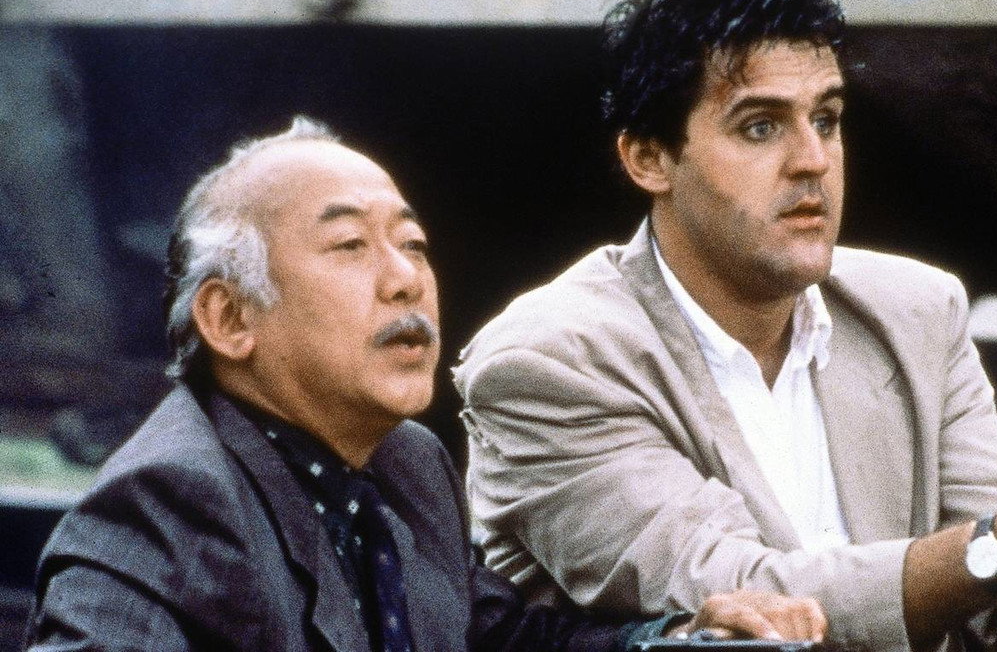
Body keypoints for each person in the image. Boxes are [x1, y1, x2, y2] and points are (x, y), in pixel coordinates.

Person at [452, 0, 997, 652]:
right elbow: (746, 602)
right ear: (649, 158)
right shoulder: (549, 361)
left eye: (827, 119)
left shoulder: (916, 312)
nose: (812, 160)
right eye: (759, 127)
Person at [23, 118, 828, 651]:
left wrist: (676, 641)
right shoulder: (167, 506)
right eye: (349, 246)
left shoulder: (406, 463)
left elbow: (493, 637)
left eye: (412, 243)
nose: (406, 278)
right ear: (230, 319)